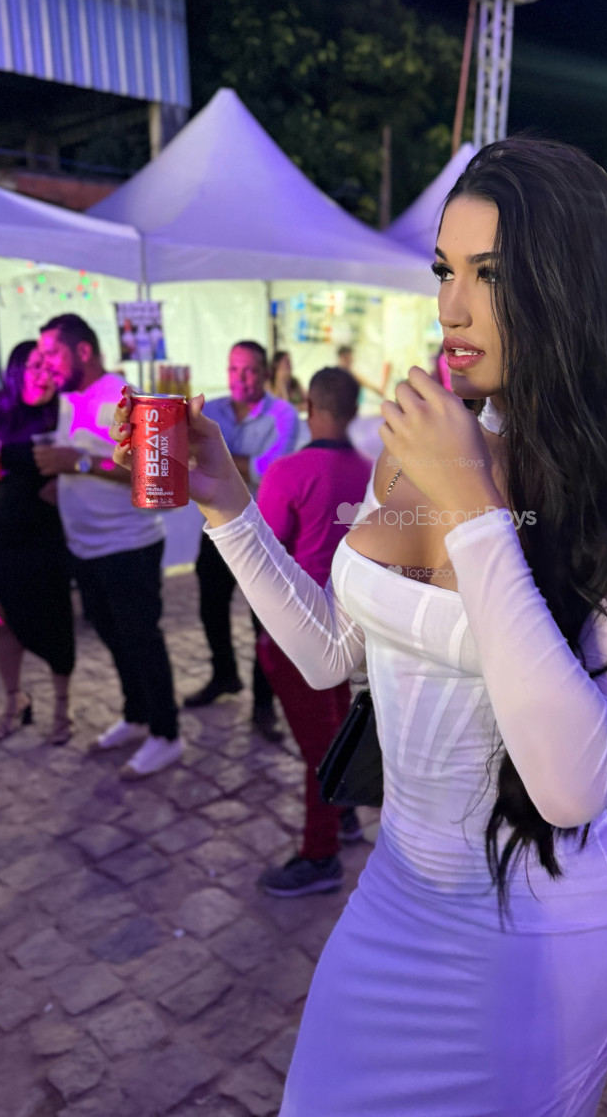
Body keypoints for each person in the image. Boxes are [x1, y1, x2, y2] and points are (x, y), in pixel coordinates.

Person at [112, 138, 607, 1116]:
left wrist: (471, 502)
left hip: (550, 926)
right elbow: (333, 654)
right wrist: (229, 507)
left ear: (570, 287)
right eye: (444, 270)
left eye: (490, 274)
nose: (451, 307)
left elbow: (572, 784)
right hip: (397, 890)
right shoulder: (412, 447)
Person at [35, 314, 183, 777]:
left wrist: (79, 463)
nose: (47, 363)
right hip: (85, 547)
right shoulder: (67, 400)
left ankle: (166, 734)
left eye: (53, 353)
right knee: (113, 638)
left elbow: (154, 474)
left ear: (82, 350)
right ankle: (136, 715)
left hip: (129, 546)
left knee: (141, 640)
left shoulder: (122, 398)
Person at [254, 367, 373, 896]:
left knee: (320, 745)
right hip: (355, 622)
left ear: (309, 406)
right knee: (337, 725)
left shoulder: (288, 471)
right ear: (354, 409)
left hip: (301, 627)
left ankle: (320, 855)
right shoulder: (373, 472)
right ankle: (342, 814)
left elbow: (265, 552)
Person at [184, 341, 299, 741]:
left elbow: (269, 470)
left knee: (263, 622)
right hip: (216, 526)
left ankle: (263, 705)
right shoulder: (210, 411)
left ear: (265, 373)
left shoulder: (283, 414)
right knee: (210, 610)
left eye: (249, 370)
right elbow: (189, 456)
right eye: (234, 369)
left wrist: (212, 458)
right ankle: (224, 675)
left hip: (262, 532)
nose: (240, 378)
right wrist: (228, 462)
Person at [0, 342, 75, 743]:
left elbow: (87, 462)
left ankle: (62, 707)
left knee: (56, 619)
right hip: (0, 536)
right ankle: (14, 700)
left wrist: (66, 484)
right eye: (35, 365)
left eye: (50, 366)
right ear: (16, 369)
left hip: (47, 534)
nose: (44, 374)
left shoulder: (64, 412)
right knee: (4, 622)